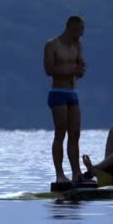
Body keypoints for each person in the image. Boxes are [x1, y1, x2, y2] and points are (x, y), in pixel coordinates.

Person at [43, 15, 86, 186]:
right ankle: (60, 174)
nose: (82, 35)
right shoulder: (51, 45)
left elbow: (79, 66)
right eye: (80, 31)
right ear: (71, 29)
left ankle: (76, 173)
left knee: (75, 134)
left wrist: (79, 69)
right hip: (57, 92)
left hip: (72, 92)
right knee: (60, 133)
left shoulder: (77, 45)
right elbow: (49, 69)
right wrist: (72, 70)